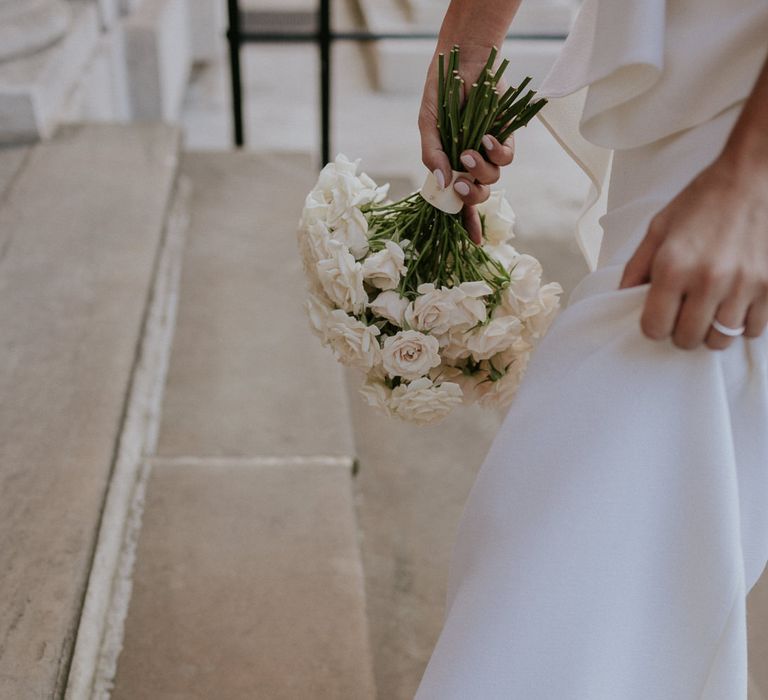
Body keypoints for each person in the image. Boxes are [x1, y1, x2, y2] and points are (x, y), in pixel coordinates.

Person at [413, 1, 768, 697]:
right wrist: (469, 40)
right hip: (683, 96)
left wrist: (752, 181)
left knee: (566, 565)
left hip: (741, 122)